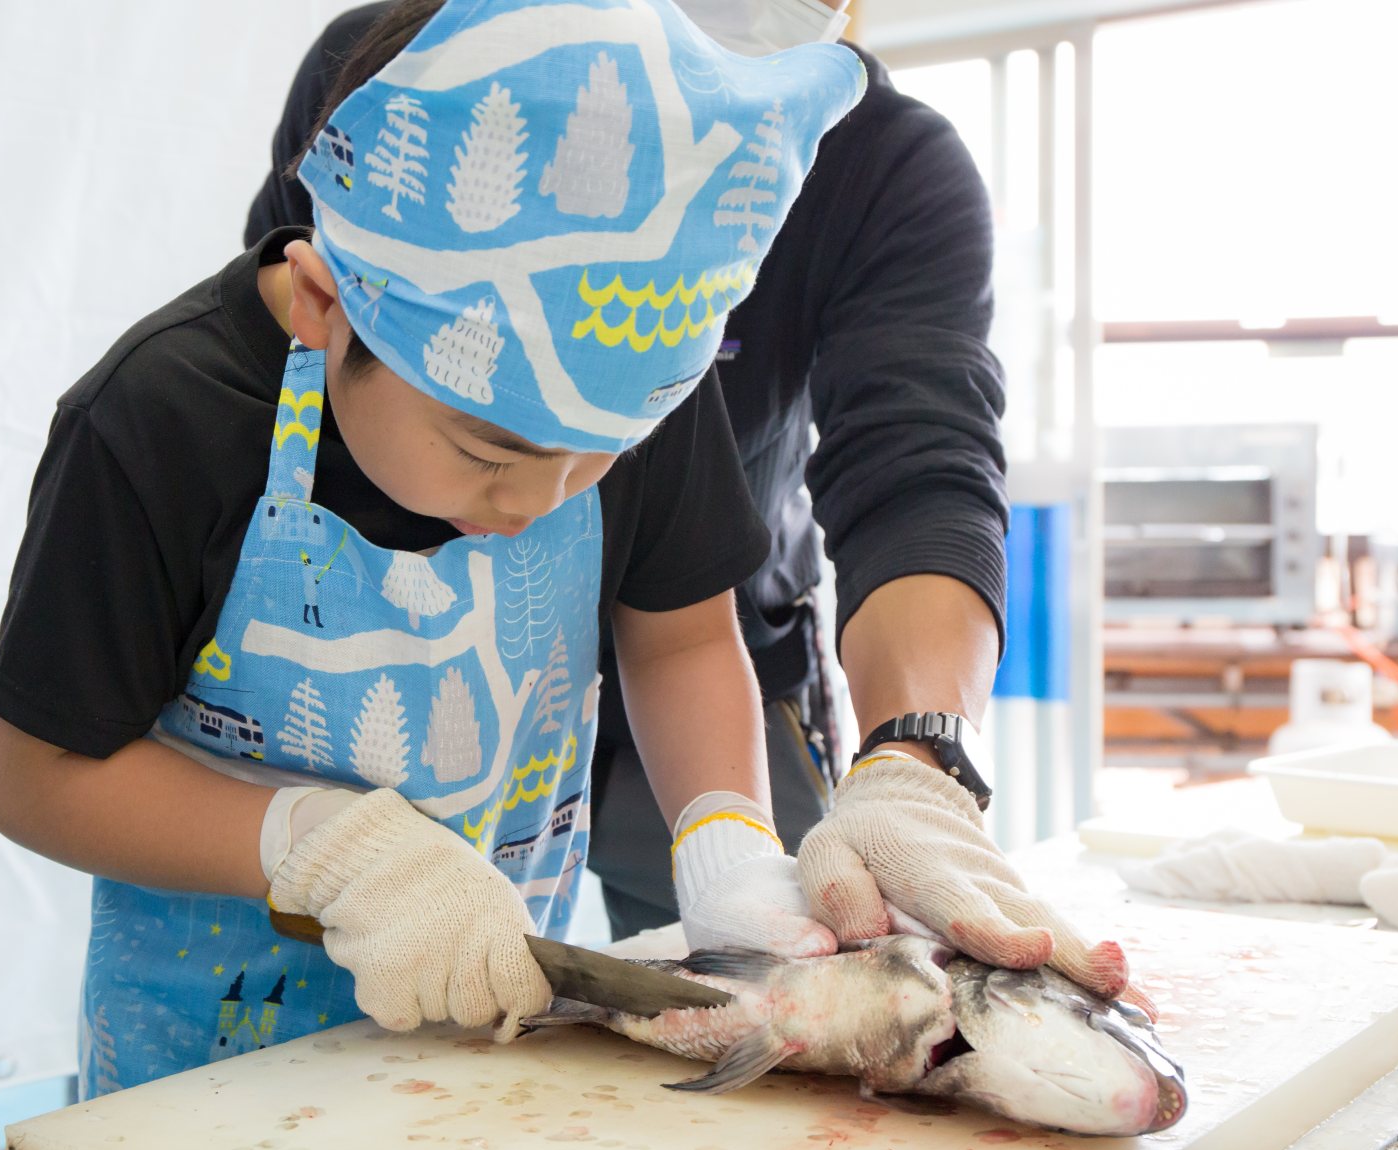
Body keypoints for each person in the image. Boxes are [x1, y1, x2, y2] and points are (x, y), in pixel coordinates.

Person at [0, 0, 868, 1097]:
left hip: (482, 1059)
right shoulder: (160, 421)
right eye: (486, 450)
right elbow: (34, 777)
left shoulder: (625, 375)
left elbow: (682, 639)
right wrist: (314, 839)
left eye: (591, 459)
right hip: (198, 1081)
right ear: (323, 301)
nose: (541, 500)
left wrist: (728, 837)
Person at [247, 0, 1134, 999]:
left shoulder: (884, 168)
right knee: (364, 1018)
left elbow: (918, 475)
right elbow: (286, 385)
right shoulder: (402, 78)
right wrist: (302, 830)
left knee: (803, 995)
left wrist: (917, 759)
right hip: (401, 671)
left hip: (709, 673)